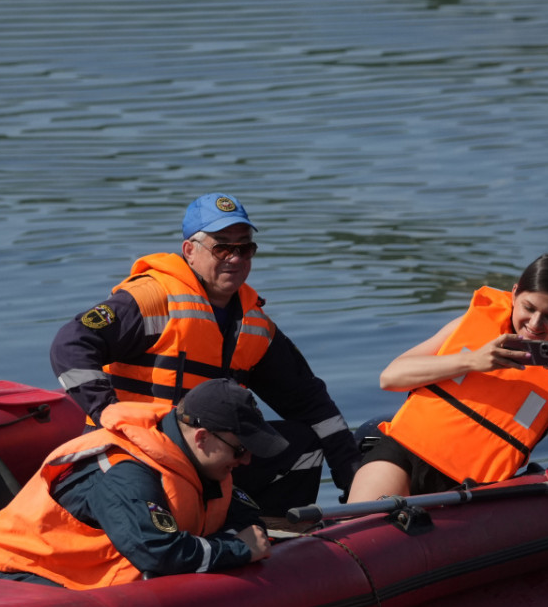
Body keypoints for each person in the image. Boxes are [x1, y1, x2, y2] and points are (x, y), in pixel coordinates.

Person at [49, 193, 362, 512]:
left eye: (245, 248)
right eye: (222, 247)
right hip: (134, 452)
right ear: (190, 251)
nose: (235, 258)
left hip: (208, 457)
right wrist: (108, 411)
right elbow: (71, 344)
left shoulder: (254, 326)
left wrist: (352, 474)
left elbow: (310, 401)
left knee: (302, 444)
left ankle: (275, 542)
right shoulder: (151, 299)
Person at [0, 379, 281, 589]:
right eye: (240, 450)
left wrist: (237, 543)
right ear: (201, 438)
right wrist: (238, 549)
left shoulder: (205, 466)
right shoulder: (125, 472)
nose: (246, 461)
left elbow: (249, 524)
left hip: (90, 575)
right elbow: (158, 553)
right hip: (18, 578)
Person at [348, 253, 548, 502]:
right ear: (515, 294)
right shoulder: (475, 323)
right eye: (529, 308)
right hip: (403, 453)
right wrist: (471, 361)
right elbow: (390, 377)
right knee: (359, 529)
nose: (536, 324)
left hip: (475, 486)